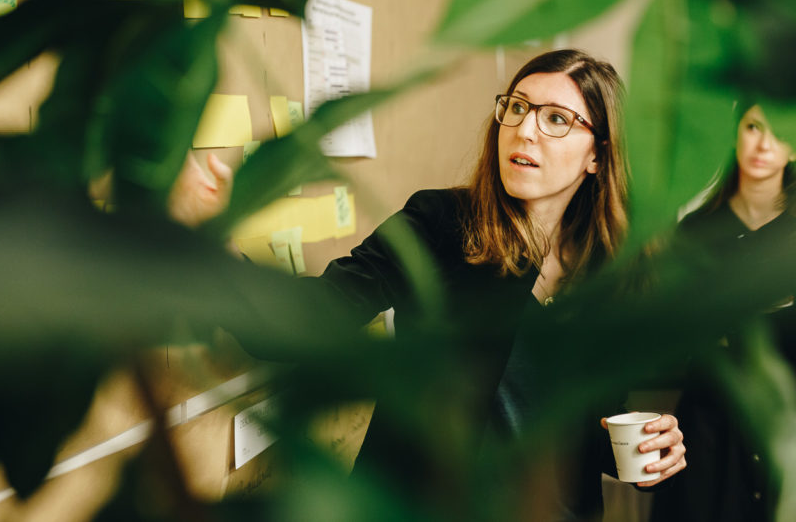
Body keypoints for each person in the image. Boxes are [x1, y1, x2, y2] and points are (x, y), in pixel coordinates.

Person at [171, 49, 687, 518]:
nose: (525, 130)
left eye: (556, 119)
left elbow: (585, 444)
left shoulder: (608, 277)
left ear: (598, 154)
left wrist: (648, 453)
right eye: (517, 107)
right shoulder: (441, 223)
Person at [648, 104, 796, 522]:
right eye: (754, 128)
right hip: (709, 427)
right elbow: (684, 335)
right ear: (735, 134)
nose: (763, 144)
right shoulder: (697, 232)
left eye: (778, 133)